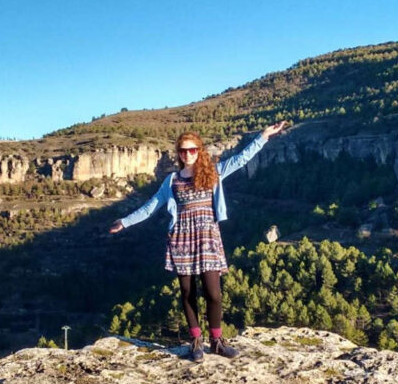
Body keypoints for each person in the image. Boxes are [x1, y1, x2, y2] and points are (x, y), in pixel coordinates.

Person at [110, 121, 287, 362]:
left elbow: (241, 159)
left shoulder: (212, 172)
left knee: (213, 293)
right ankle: (196, 341)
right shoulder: (171, 181)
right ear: (179, 154)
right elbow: (152, 206)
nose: (188, 154)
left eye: (192, 150)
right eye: (183, 151)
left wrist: (264, 136)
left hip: (207, 238)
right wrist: (126, 221)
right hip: (182, 239)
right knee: (187, 292)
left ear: (199, 151)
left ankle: (217, 341)